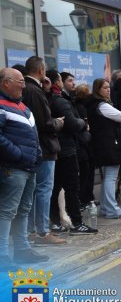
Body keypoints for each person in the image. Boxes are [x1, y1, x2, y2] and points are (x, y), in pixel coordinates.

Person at [0, 68, 49, 269]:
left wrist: (34, 154)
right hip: (14, 167)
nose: (23, 85)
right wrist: (18, 154)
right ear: (5, 83)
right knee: (7, 211)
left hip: (28, 167)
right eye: (20, 81)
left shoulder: (21, 106)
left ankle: (22, 250)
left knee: (23, 210)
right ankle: (2, 256)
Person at [22, 57, 66, 245]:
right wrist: (58, 122)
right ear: (40, 70)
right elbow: (44, 123)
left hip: (34, 147)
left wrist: (46, 89)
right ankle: (41, 231)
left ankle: (33, 230)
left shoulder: (30, 89)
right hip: (44, 147)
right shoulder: (34, 91)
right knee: (43, 189)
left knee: (34, 190)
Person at [46, 70, 96, 235]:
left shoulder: (53, 99)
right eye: (63, 79)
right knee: (72, 187)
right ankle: (76, 223)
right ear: (57, 82)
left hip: (57, 148)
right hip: (66, 149)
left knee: (56, 187)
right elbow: (73, 124)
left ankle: (55, 223)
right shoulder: (60, 101)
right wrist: (83, 122)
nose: (70, 83)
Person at [86, 79, 121, 219]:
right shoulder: (101, 105)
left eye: (108, 87)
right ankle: (112, 209)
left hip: (105, 143)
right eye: (104, 88)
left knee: (108, 177)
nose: (108, 90)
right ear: (98, 90)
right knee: (111, 177)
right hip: (110, 144)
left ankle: (106, 208)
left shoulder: (96, 105)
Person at [73, 83, 95, 211]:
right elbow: (85, 125)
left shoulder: (78, 105)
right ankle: (85, 198)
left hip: (83, 144)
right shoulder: (82, 107)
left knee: (85, 172)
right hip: (85, 144)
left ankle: (86, 198)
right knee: (86, 172)